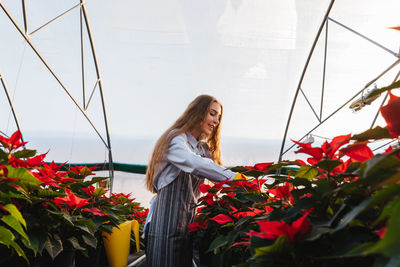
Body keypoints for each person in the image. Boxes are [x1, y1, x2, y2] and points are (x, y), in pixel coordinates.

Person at [144, 94, 240, 267]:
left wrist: (244, 189)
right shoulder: (175, 138)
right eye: (212, 114)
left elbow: (214, 174)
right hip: (165, 225)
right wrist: (236, 178)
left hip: (187, 225)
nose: (216, 120)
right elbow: (193, 162)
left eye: (218, 117)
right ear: (197, 112)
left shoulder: (202, 148)